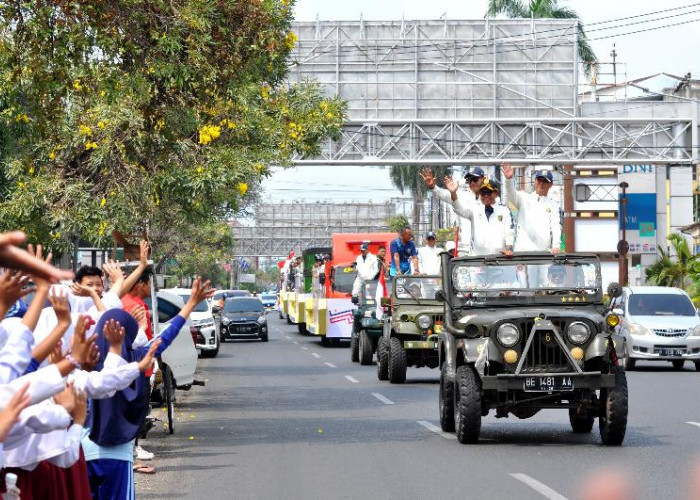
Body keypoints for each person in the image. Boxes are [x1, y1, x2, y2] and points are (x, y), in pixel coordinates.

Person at [420, 167, 485, 255]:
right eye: (469, 180)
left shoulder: (493, 199)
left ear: (483, 179)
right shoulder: (463, 196)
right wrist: (433, 187)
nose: (472, 182)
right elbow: (445, 195)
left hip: (489, 250)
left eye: (475, 179)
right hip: (467, 250)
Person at [502, 164, 562, 253]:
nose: (541, 183)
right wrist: (508, 180)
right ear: (535, 181)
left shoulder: (553, 204)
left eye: (545, 181)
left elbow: (555, 225)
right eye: (539, 180)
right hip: (521, 251)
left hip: (543, 253)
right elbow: (510, 195)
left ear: (550, 184)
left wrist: (556, 245)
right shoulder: (523, 198)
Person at [446, 177, 514, 256]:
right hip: (477, 259)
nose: (485, 195)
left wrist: (508, 249)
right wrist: (453, 193)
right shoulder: (474, 208)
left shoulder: (504, 210)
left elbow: (509, 233)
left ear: (496, 193)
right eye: (482, 193)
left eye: (488, 192)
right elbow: (459, 210)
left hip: (499, 258)